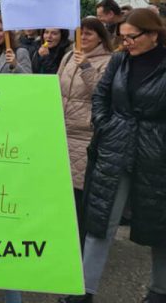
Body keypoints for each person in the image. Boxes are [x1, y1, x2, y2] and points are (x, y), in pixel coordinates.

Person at [60, 9, 166, 303]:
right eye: (123, 36)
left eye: (132, 37)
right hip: (115, 150)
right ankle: (84, 289)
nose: (126, 42)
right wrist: (107, 126)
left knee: (160, 225)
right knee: (100, 219)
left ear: (153, 35)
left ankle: (159, 290)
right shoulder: (119, 62)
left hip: (155, 156)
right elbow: (101, 97)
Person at [57, 17, 112, 242]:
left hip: (83, 135)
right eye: (80, 33)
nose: (84, 38)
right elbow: (57, 85)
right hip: (60, 131)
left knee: (78, 195)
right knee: (60, 194)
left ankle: (78, 247)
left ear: (100, 36)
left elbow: (104, 94)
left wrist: (87, 67)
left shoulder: (109, 61)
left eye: (89, 33)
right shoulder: (69, 55)